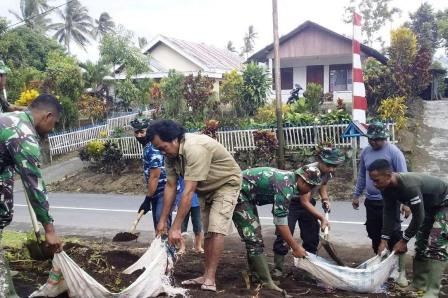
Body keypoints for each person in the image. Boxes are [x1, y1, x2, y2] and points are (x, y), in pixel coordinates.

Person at [148, 120, 241, 292]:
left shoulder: (194, 148)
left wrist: (175, 228)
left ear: (175, 139)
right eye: (159, 149)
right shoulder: (170, 155)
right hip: (206, 189)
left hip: (225, 184)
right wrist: (163, 221)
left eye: (163, 147)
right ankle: (205, 274)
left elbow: (188, 191)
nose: (162, 152)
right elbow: (170, 185)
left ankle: (210, 279)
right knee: (208, 232)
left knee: (216, 229)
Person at [0, 94, 63, 297]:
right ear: (48, 116)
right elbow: (34, 184)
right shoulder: (23, 134)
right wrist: (49, 229)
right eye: (54, 123)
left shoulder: (13, 118)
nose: (53, 129)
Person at [368, 159, 448, 298]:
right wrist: (384, 239)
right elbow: (388, 212)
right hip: (430, 206)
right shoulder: (386, 188)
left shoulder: (408, 186)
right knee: (421, 243)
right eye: (372, 181)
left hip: (444, 203)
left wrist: (404, 240)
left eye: (377, 180)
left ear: (388, 175)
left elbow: (419, 216)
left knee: (436, 244)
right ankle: (419, 284)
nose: (374, 184)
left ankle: (432, 292)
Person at [233, 166, 320, 292]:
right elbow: (280, 222)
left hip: (247, 195)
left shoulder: (290, 181)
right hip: (237, 192)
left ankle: (255, 276)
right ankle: (266, 281)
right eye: (310, 186)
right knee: (253, 238)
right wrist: (295, 247)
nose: (310, 191)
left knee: (254, 238)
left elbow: (279, 215)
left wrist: (288, 240)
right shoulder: (286, 186)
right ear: (301, 180)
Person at [352, 121, 409, 286]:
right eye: (370, 139)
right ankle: (383, 268)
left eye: (376, 139)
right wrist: (357, 195)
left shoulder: (394, 152)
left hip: (390, 201)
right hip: (372, 201)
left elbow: (404, 177)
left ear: (384, 137)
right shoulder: (366, 152)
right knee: (374, 233)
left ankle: (400, 271)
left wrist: (405, 203)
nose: (372, 142)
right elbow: (363, 174)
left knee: (395, 234)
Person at [272, 147, 345, 277]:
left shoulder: (328, 171)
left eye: (334, 166)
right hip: (291, 203)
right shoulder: (309, 171)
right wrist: (322, 218)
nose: (332, 169)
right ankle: (278, 268)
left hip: (308, 202)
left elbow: (323, 184)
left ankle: (308, 269)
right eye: (329, 165)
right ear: (320, 161)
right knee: (285, 234)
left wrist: (325, 199)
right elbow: (303, 201)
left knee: (311, 234)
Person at [130, 116, 171, 229]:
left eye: (142, 132)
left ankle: (168, 246)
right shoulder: (148, 147)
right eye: (136, 132)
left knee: (161, 225)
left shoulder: (153, 148)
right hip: (156, 193)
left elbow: (155, 176)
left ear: (149, 130)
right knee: (159, 225)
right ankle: (163, 246)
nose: (139, 135)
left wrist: (147, 199)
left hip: (163, 191)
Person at [177, 177, 204, 254]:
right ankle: (182, 247)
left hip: (196, 202)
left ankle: (198, 246)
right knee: (182, 226)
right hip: (182, 202)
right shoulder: (180, 170)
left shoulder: (196, 171)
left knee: (198, 225)